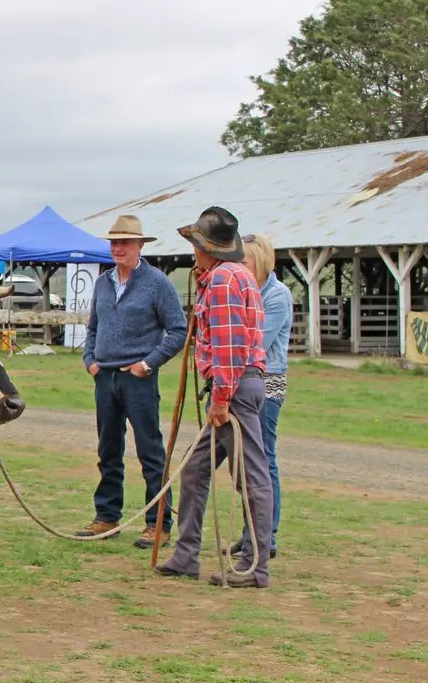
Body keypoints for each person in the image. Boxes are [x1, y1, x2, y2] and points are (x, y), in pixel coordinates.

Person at [155, 206, 274, 588]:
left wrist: (221, 398)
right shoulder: (233, 276)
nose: (193, 251)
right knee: (195, 469)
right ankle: (186, 554)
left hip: (234, 388)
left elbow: (229, 347)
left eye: (195, 244)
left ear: (205, 248)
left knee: (251, 475)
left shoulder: (223, 281)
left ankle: (256, 567)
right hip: (240, 384)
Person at [78, 214, 188, 548]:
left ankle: (158, 523)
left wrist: (148, 364)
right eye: (114, 242)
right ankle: (107, 515)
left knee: (150, 452)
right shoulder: (102, 282)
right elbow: (93, 327)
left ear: (140, 245)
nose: (118, 248)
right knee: (108, 449)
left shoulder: (157, 283)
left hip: (138, 379)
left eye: (125, 242)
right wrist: (90, 361)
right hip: (105, 376)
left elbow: (179, 330)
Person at [227, 232, 290, 559]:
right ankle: (251, 531)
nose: (239, 265)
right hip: (244, 381)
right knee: (245, 462)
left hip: (266, 383)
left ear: (261, 261)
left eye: (245, 259)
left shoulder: (276, 296)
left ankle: (267, 535)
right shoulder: (244, 293)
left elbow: (256, 344)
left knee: (263, 458)